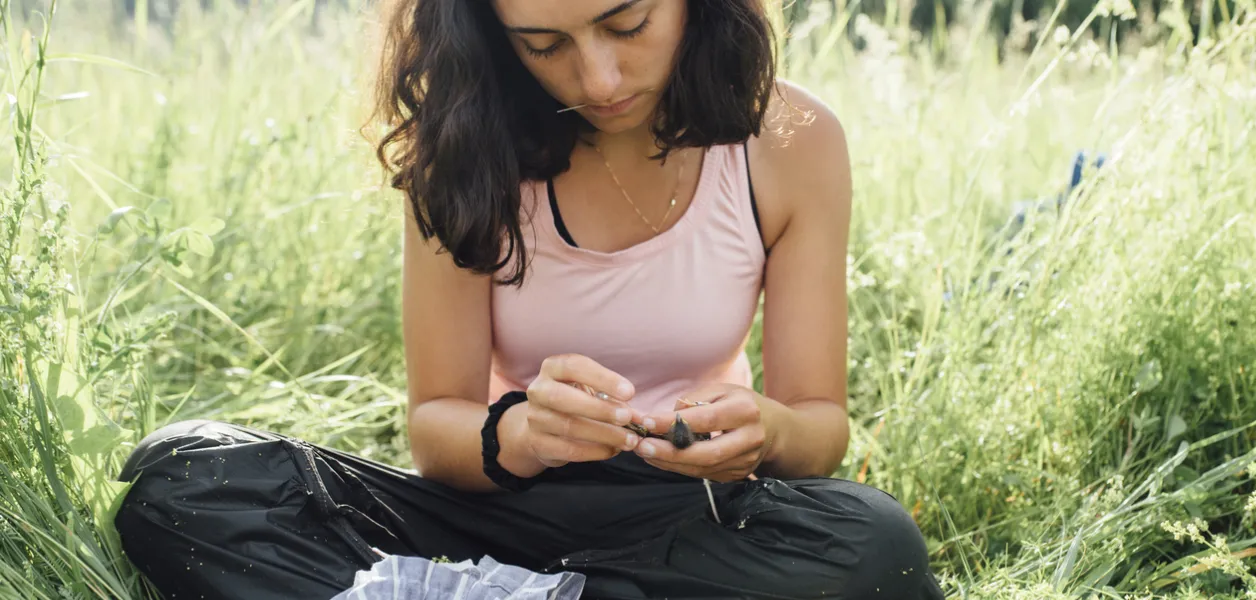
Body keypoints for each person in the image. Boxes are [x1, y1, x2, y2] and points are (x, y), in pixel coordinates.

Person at [112, 1, 948, 598]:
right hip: (498, 512)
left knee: (877, 547)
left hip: (694, 517)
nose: (600, 75)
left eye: (628, 24)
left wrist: (768, 431)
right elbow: (438, 425)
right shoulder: (461, 148)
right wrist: (517, 432)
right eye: (543, 43)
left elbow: (820, 427)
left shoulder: (789, 141)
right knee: (182, 476)